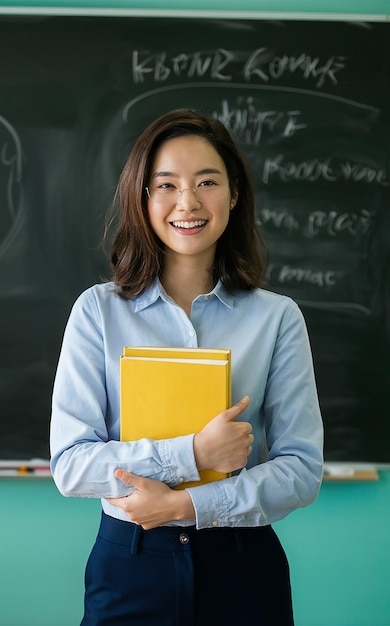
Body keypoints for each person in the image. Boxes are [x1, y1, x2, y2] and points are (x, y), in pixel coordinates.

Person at [50, 108, 324, 626]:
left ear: (235, 193)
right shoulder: (98, 312)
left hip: (242, 566)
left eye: (207, 182)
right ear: (143, 197)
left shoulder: (277, 318)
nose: (188, 203)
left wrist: (185, 507)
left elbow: (301, 471)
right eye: (167, 185)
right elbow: (70, 464)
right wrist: (192, 453)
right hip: (129, 564)